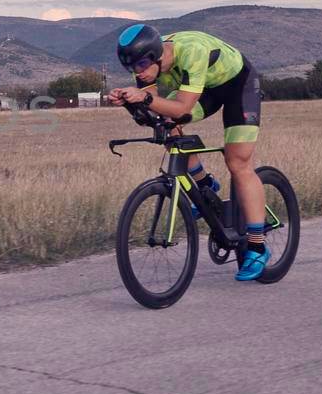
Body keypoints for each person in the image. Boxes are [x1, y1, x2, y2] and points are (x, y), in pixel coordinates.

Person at [106, 24, 270, 281]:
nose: (137, 73)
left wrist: (144, 98)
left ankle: (258, 246)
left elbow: (182, 109)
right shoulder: (146, 63)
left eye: (139, 66)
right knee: (164, 122)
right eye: (130, 69)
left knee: (237, 162)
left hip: (238, 86)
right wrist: (130, 102)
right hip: (204, 90)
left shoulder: (191, 51)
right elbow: (152, 113)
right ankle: (205, 185)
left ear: (156, 57)